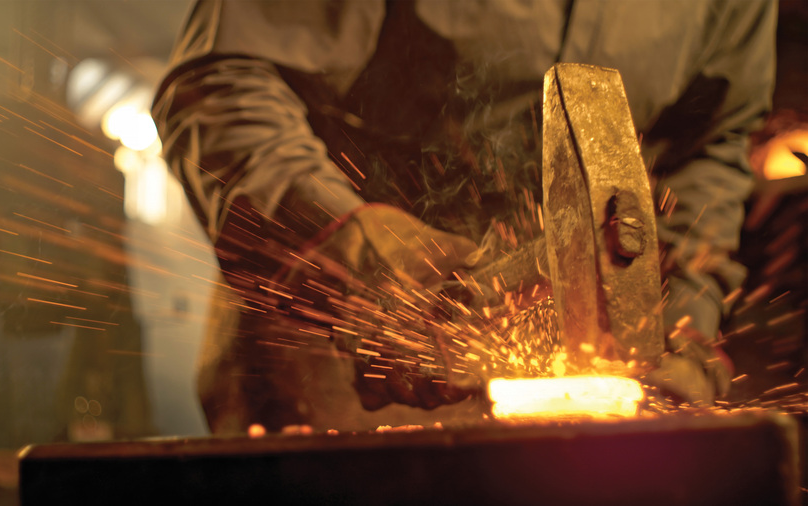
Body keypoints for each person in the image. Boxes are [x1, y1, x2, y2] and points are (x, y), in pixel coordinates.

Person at [152, 0, 777, 434]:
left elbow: (709, 146)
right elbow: (218, 84)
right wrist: (364, 263)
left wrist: (682, 318)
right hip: (339, 359)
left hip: (584, 386)